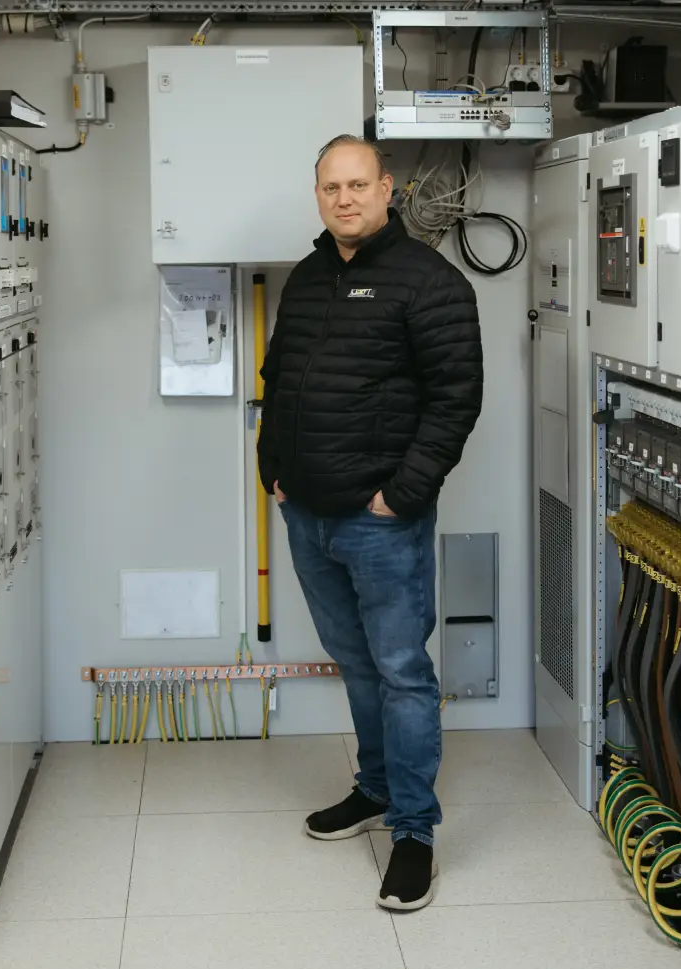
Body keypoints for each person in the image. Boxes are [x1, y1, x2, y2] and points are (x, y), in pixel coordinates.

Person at [257, 134, 484, 912]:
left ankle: (415, 832)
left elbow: (457, 400)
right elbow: (277, 375)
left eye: (358, 184)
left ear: (388, 190)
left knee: (402, 674)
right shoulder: (310, 278)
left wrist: (402, 495)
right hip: (308, 516)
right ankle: (376, 790)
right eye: (330, 187)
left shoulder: (430, 283)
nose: (344, 199)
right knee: (357, 666)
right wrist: (272, 472)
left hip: (379, 522)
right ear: (317, 196)